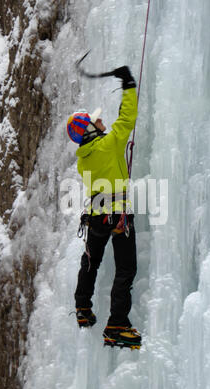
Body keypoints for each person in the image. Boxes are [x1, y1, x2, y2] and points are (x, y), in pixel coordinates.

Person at [67, 66, 141, 349]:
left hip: (97, 216)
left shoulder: (83, 159)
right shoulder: (109, 144)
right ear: (88, 128)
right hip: (118, 214)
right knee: (126, 269)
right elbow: (127, 118)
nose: (102, 122)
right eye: (96, 121)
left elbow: (115, 127)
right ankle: (117, 325)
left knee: (91, 262)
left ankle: (83, 309)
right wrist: (128, 84)